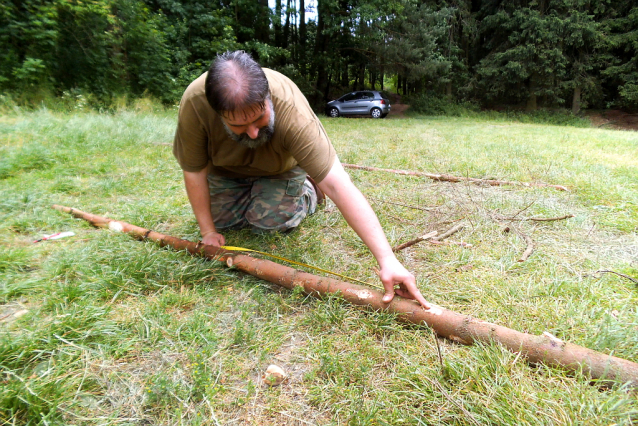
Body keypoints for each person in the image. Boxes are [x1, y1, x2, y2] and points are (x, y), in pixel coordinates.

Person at [173, 50, 433, 310]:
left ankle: (309, 191)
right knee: (221, 223)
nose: (253, 134)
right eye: (239, 126)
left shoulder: (291, 108)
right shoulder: (195, 103)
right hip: (226, 171)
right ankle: (252, 194)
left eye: (259, 119)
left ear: (268, 99)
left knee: (268, 221)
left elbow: (339, 184)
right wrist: (207, 231)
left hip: (280, 170)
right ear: (218, 114)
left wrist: (387, 259)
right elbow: (194, 170)